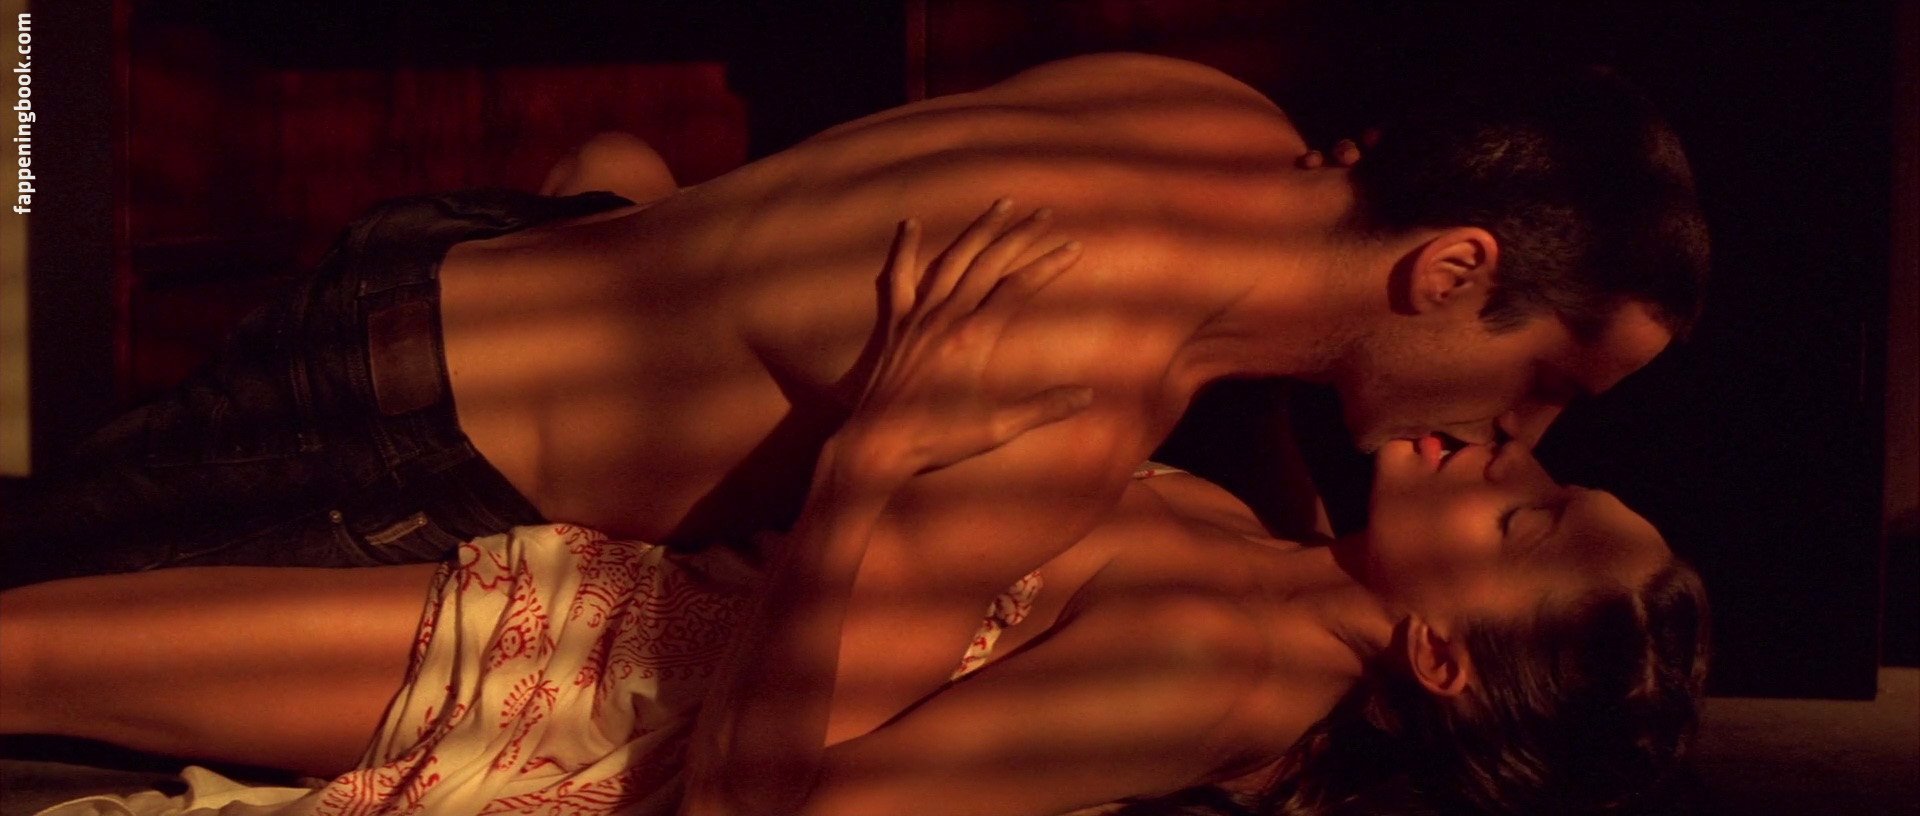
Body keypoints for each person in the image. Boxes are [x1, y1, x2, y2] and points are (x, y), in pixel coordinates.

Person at [1, 212, 1709, 816]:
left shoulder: (1218, 667)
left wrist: (875, 464)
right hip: (619, 617)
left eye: (1534, 521)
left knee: (24, 656)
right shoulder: (1266, 561)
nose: (1508, 454)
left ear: (1443, 657)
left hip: (585, 704)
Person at [2, 54, 1709, 634]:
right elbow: (782, 769)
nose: (1526, 436)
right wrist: (880, 468)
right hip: (388, 447)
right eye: (1547, 384)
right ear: (1452, 270)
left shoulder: (1212, 115)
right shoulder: (1082, 393)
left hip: (465, 264)